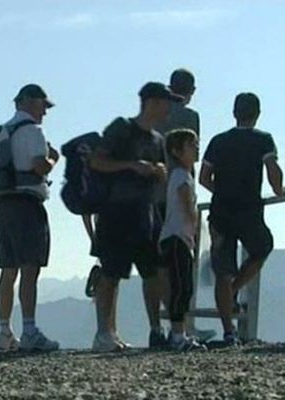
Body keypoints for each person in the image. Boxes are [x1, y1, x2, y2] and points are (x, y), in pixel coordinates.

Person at [87, 82, 181, 352]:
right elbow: (97, 162)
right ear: (151, 102)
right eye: (166, 102)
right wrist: (130, 165)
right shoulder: (121, 129)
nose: (169, 108)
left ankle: (155, 331)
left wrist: (158, 172)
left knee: (151, 272)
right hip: (115, 212)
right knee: (111, 273)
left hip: (146, 213)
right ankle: (105, 333)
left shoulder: (158, 140)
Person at [200, 92, 285, 346]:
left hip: (220, 211)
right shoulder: (263, 140)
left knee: (222, 271)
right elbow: (272, 170)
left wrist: (222, 192)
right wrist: (280, 190)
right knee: (262, 248)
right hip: (249, 210)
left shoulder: (218, 141)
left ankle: (228, 330)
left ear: (234, 113)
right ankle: (236, 288)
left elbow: (205, 177)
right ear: (257, 114)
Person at [0, 84, 60, 352]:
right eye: (44, 105)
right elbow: (38, 165)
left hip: (3, 202)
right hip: (28, 203)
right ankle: (29, 330)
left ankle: (4, 330)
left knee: (8, 268)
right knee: (30, 268)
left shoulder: (4, 131)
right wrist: (54, 159)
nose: (45, 111)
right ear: (31, 102)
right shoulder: (33, 131)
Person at [154, 68, 215, 342]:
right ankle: (184, 326)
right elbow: (194, 159)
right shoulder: (190, 118)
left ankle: (160, 327)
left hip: (154, 193)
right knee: (182, 270)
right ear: (191, 91)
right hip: (179, 193)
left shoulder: (156, 115)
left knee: (159, 266)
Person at [159, 128, 206, 351]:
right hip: (177, 237)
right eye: (191, 145)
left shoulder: (182, 175)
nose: (196, 149)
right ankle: (178, 334)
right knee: (181, 287)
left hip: (179, 238)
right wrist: (195, 225)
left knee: (183, 286)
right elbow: (188, 207)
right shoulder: (180, 176)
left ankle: (180, 332)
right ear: (177, 151)